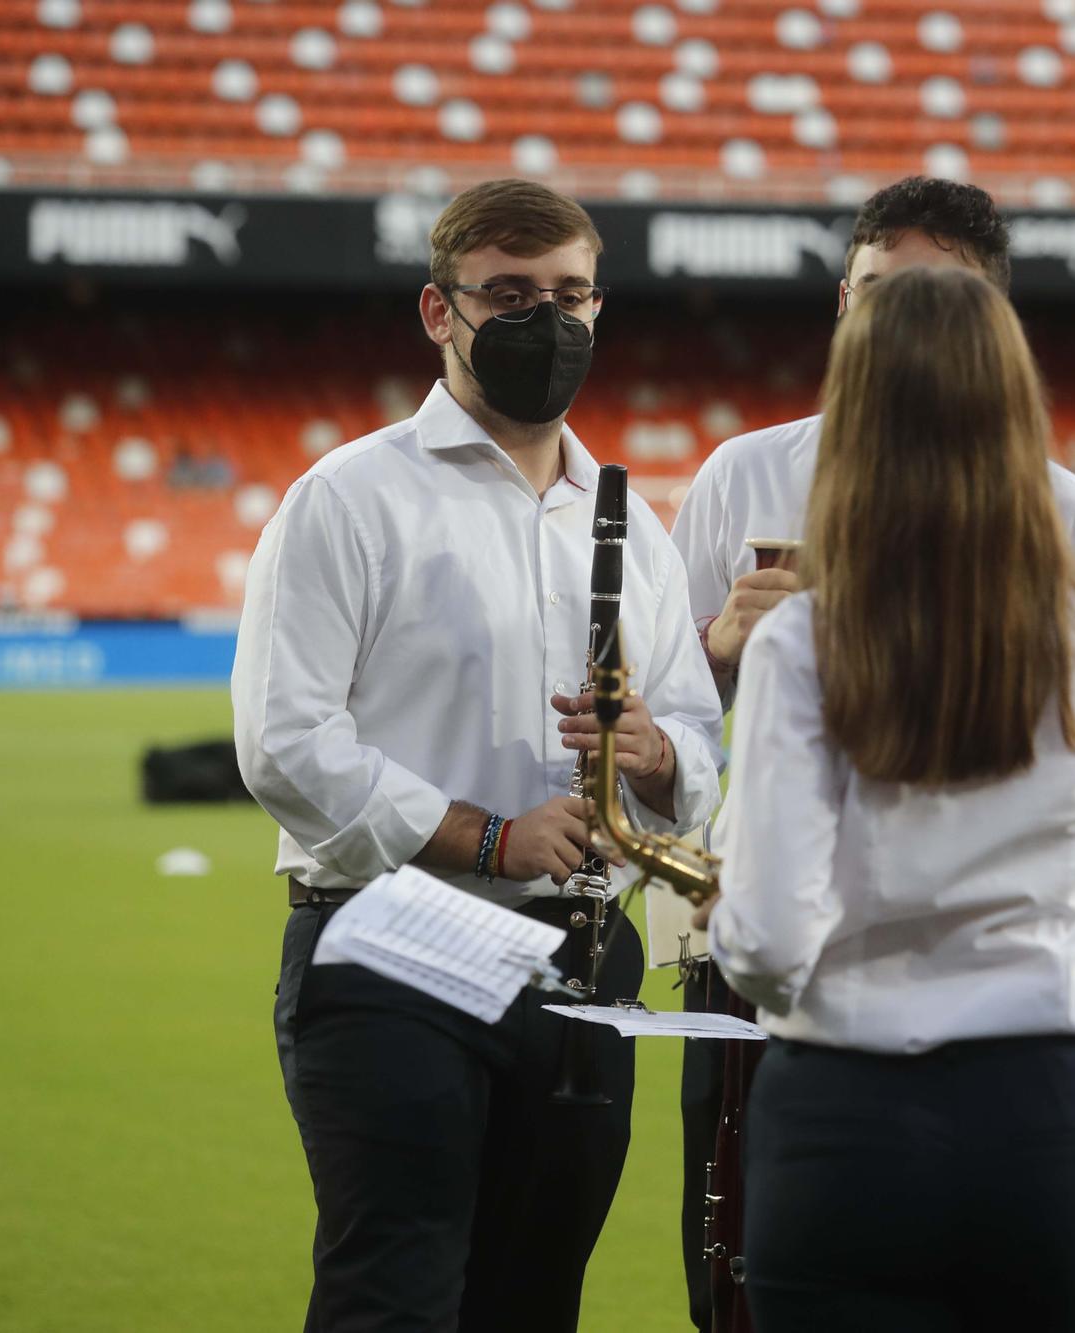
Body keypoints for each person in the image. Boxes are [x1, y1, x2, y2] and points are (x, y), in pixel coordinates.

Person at [233, 178, 725, 1332]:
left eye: (566, 294)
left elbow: (699, 744)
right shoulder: (347, 498)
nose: (543, 321)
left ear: (599, 309)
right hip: (396, 938)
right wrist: (485, 836)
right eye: (508, 294)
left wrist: (651, 755)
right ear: (437, 312)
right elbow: (283, 742)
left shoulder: (628, 517)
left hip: (583, 954)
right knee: (392, 1295)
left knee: (534, 1299)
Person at [664, 173, 1075, 1330]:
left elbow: (765, 944)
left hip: (846, 1082)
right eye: (877, 290)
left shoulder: (813, 637)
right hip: (1050, 1082)